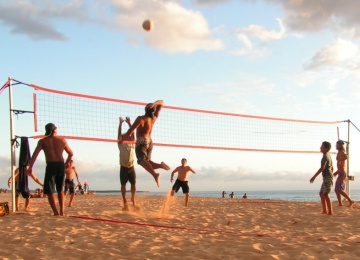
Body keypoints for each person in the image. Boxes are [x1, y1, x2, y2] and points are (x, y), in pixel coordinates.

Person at [120, 100, 170, 187]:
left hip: (142, 141)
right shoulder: (153, 118)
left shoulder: (141, 119)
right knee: (148, 164)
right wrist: (154, 104)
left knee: (141, 161)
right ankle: (161, 166)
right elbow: (161, 102)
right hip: (150, 142)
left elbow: (130, 131)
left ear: (145, 109)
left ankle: (155, 175)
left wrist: (121, 140)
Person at [28, 123, 73, 216]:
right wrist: (66, 163)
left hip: (51, 165)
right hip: (60, 165)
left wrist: (30, 166)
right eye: (56, 128)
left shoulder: (43, 141)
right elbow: (71, 153)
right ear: (54, 130)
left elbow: (35, 154)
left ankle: (56, 212)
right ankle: (62, 211)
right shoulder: (62, 141)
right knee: (60, 189)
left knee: (50, 191)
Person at [118, 116, 139, 211]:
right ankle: (125, 202)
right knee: (123, 185)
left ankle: (133, 200)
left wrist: (130, 123)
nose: (127, 136)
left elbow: (133, 132)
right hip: (123, 167)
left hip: (131, 167)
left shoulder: (132, 143)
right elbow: (119, 134)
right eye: (124, 136)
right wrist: (120, 124)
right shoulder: (120, 143)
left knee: (134, 184)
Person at [310, 141, 334, 215]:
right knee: (321, 193)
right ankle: (324, 210)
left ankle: (330, 211)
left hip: (327, 177)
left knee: (326, 194)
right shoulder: (328, 156)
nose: (320, 147)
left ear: (326, 148)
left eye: (322, 146)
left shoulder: (325, 156)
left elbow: (322, 168)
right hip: (327, 177)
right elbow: (332, 167)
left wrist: (314, 177)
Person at [333, 140, 354, 207]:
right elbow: (339, 164)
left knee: (339, 189)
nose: (336, 146)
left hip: (342, 173)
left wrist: (342, 161)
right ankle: (340, 203)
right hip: (340, 172)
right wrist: (336, 172)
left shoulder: (342, 152)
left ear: (340, 145)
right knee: (336, 189)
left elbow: (346, 156)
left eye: (337, 145)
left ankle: (350, 201)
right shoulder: (339, 152)